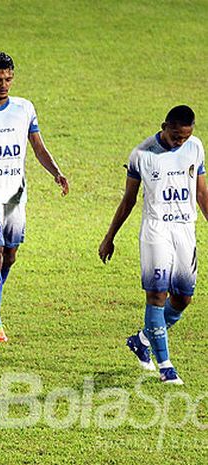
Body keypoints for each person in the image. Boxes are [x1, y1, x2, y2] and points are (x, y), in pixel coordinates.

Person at [0, 51, 69, 343]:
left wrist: (56, 172)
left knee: (9, 256)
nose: (3, 85)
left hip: (16, 195)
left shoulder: (24, 108)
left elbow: (37, 146)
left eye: (8, 79)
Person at [99, 105, 207, 385]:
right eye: (175, 136)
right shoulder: (142, 154)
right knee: (157, 295)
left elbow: (201, 191)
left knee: (183, 298)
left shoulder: (195, 147)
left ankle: (142, 339)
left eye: (184, 137)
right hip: (156, 232)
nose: (179, 142)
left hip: (185, 230)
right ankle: (166, 366)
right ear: (164, 126)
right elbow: (129, 200)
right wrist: (109, 237)